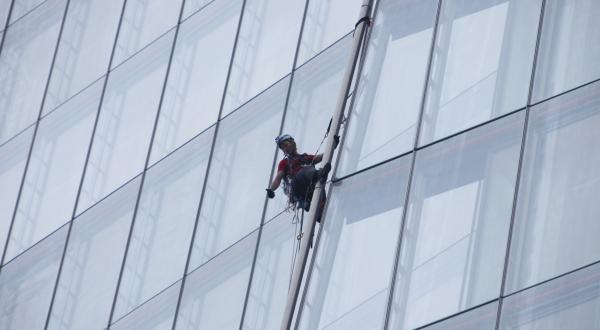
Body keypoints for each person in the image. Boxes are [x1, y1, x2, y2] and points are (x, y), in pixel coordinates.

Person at [266, 134, 331, 213]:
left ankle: (321, 210)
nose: (285, 149)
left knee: (319, 187)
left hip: (308, 187)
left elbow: (318, 158)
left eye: (286, 145)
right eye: (282, 148)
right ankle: (319, 175)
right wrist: (271, 189)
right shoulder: (284, 162)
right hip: (296, 187)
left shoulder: (304, 157)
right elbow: (278, 178)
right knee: (307, 170)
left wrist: (331, 148)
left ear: (292, 143)